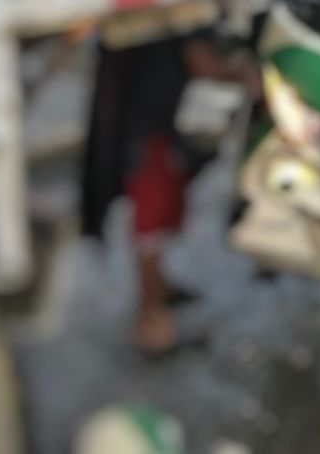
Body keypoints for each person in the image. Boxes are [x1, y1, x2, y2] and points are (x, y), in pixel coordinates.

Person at [82, 25, 258, 356]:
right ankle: (151, 327)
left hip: (146, 128)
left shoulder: (166, 17)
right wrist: (247, 77)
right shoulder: (183, 19)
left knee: (157, 226)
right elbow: (207, 66)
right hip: (152, 136)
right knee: (152, 230)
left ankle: (158, 293)